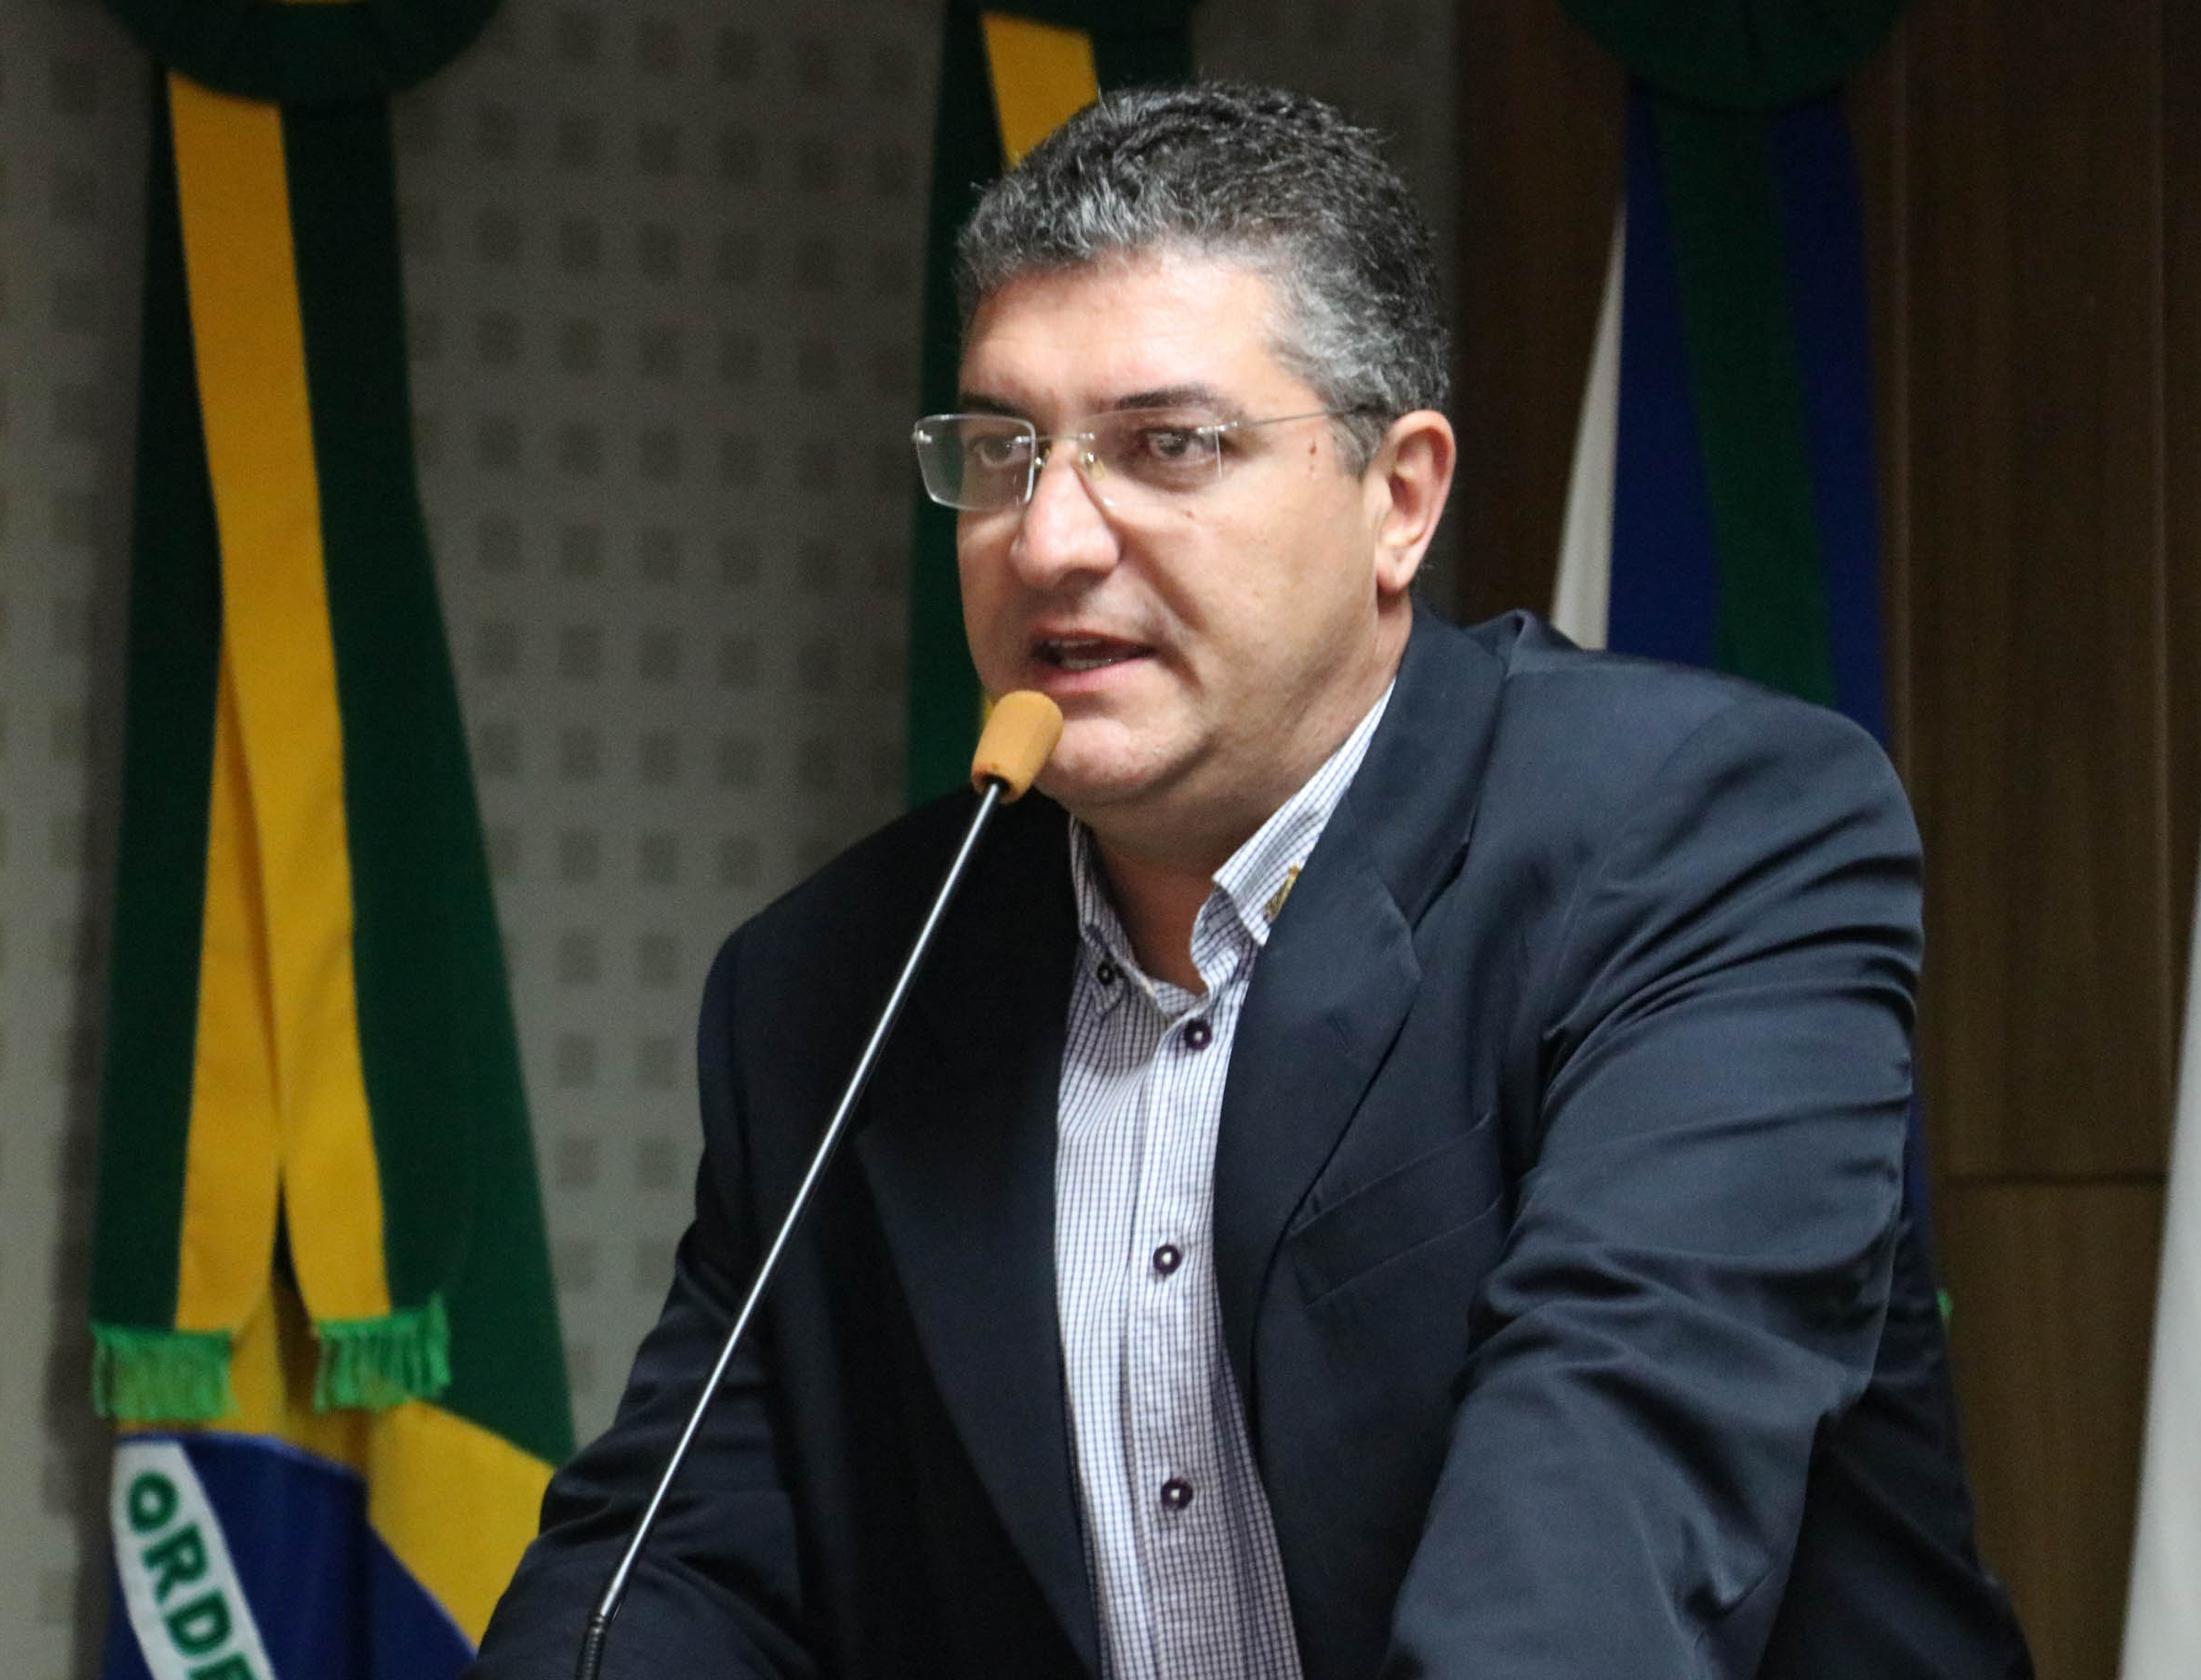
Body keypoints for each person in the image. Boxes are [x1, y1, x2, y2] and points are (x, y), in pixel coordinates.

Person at [469, 83, 2031, 1679]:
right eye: (1003, 453)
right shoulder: (835, 977)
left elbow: (1593, 1529)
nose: (1047, 541)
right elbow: (674, 1562)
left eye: (1167, 446)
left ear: (1396, 498)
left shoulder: (1702, 837)